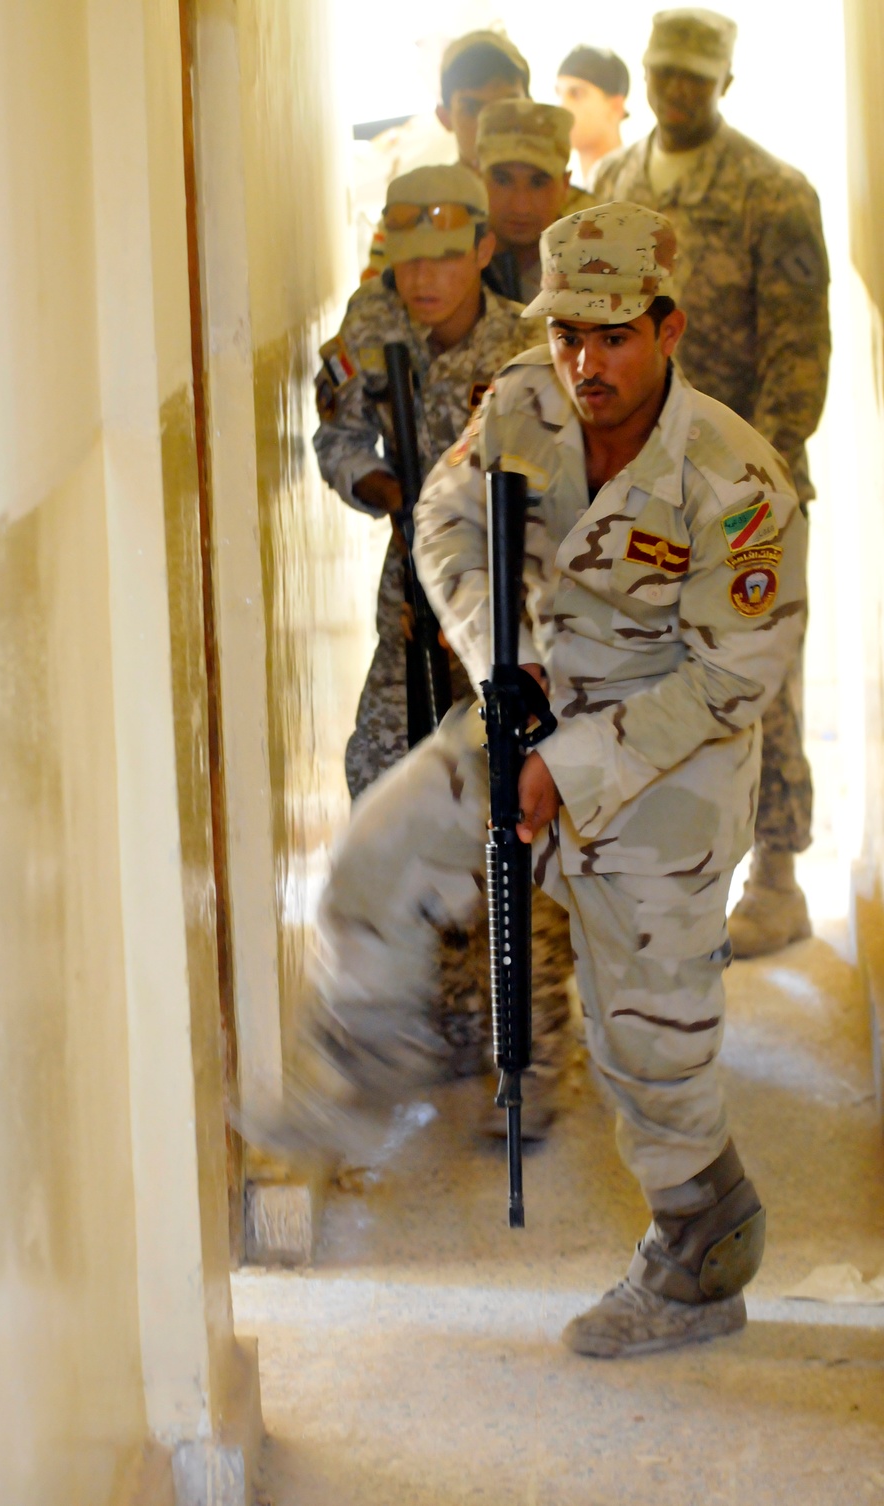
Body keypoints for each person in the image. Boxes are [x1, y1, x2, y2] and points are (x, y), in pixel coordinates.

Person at [291, 203, 805, 1357]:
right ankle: (368, 1068)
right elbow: (440, 521)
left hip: (669, 751)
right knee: (379, 851)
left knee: (651, 1051)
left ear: (666, 328)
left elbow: (732, 677)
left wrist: (565, 775)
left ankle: (700, 1250)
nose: (584, 363)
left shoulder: (736, 480)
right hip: (531, 694)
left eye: (612, 335)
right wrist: (497, 659)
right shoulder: (523, 399)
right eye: (567, 331)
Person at [312, 164, 572, 1133]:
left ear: (476, 250)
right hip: (413, 610)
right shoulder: (369, 329)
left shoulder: (529, 344)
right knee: (380, 786)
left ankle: (533, 1059)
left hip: (517, 621)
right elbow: (336, 441)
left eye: (442, 258)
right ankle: (426, 1028)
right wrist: (382, 492)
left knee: (522, 836)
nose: (422, 281)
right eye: (405, 261)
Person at [592, 8, 831, 956]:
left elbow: (798, 358)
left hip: (748, 495)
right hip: (646, 489)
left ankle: (777, 873)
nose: (677, 90)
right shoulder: (615, 187)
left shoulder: (775, 194)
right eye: (664, 72)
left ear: (725, 83)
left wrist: (751, 491)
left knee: (760, 680)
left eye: (696, 76)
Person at [363, 30, 530, 281]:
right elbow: (375, 311)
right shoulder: (408, 216)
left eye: (506, 107)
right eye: (472, 108)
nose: (490, 124)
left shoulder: (576, 210)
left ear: (530, 108)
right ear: (445, 117)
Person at [476, 99, 596, 306]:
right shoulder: (453, 263)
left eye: (538, 182)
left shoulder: (598, 265)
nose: (520, 206)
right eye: (503, 180)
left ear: (565, 186)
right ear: (479, 179)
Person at [555, 45, 630, 186]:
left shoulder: (638, 185)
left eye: (576, 94)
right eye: (559, 94)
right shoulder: (564, 192)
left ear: (616, 107)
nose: (562, 108)